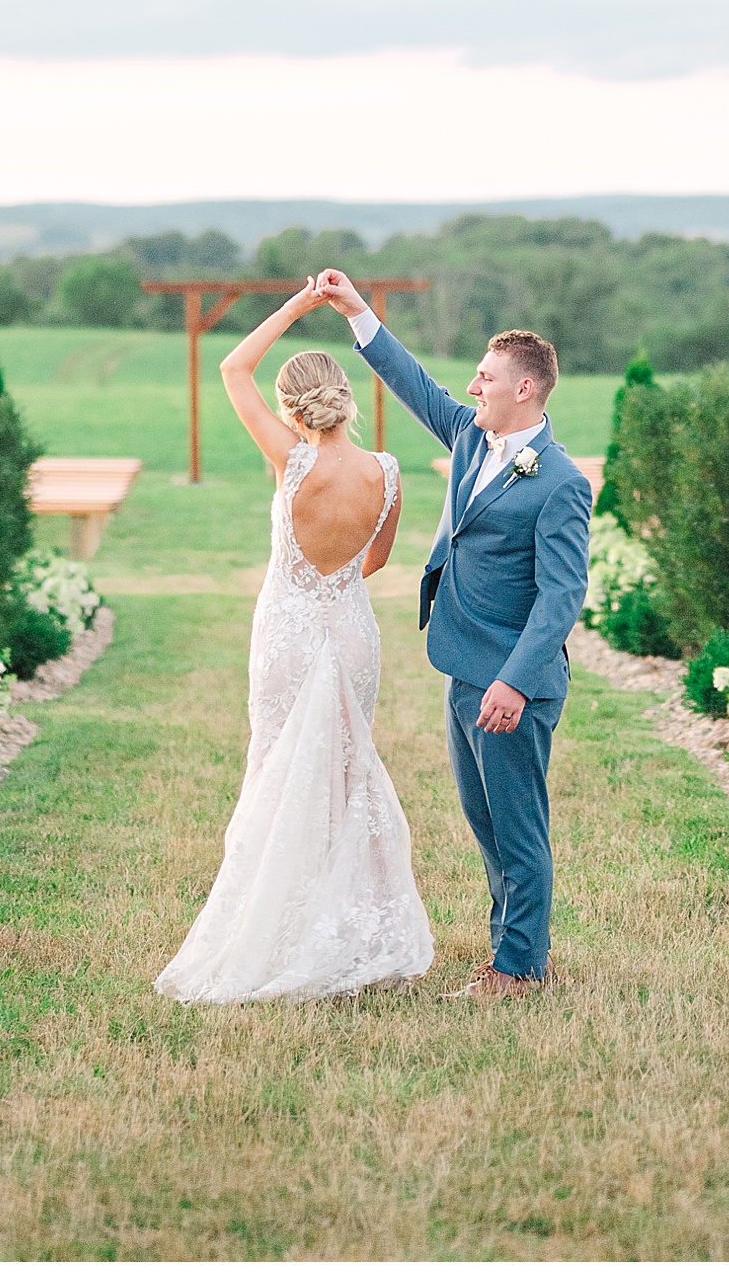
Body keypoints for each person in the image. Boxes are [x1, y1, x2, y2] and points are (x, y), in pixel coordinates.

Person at [153, 283, 434, 1002]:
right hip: (351, 630)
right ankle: (346, 933)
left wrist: (296, 308)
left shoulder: (291, 461)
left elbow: (231, 368)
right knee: (344, 778)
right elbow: (374, 562)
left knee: (278, 772)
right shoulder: (387, 472)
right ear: (343, 396)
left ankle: (277, 931)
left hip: (289, 632)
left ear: (292, 408)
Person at [315, 269, 590, 1001]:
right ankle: (515, 949)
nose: (472, 388)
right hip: (462, 662)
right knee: (485, 824)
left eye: (486, 378)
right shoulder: (474, 437)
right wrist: (356, 311)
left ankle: (519, 969)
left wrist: (515, 681)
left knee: (519, 828)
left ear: (524, 389)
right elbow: (416, 384)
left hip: (511, 682)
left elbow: (563, 596)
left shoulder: (560, 481)